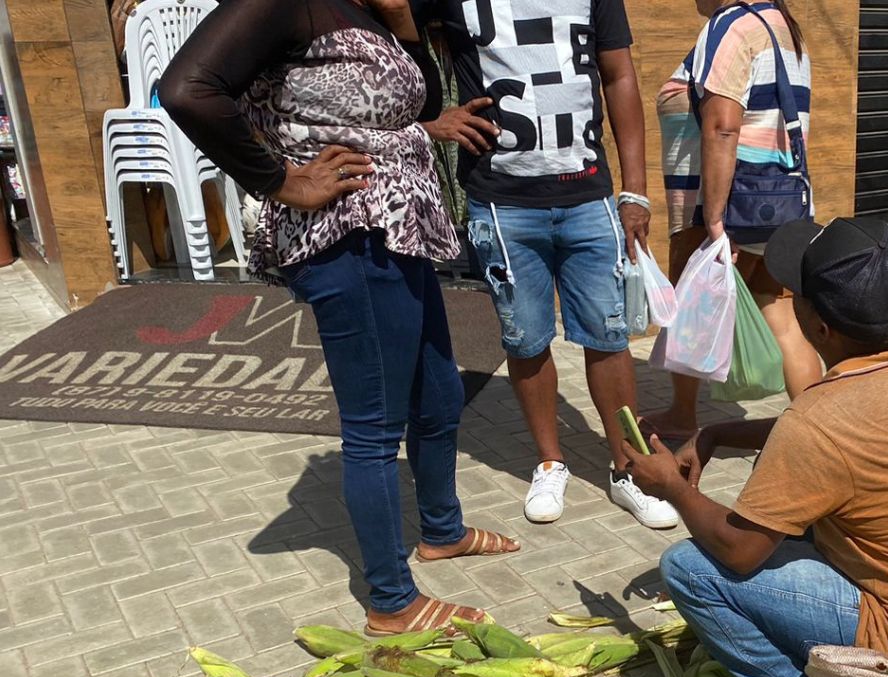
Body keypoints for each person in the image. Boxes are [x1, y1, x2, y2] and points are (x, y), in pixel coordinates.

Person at [160, 0, 519, 637]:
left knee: (437, 395)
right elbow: (187, 89)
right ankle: (391, 601)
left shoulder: (366, 11)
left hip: (399, 230)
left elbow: (406, 104)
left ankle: (442, 531)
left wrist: (404, 22)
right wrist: (281, 181)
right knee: (375, 427)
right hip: (349, 237)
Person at [624, 217, 888, 677]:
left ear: (819, 326)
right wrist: (717, 432)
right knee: (783, 513)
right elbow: (838, 443)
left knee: (689, 568)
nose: (783, 294)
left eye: (793, 290)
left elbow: (739, 551)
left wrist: (673, 488)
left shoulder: (819, 422)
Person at [413, 0, 679, 530]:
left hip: (589, 197)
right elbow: (397, 34)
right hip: (501, 202)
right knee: (526, 339)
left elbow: (620, 75)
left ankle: (627, 468)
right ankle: (550, 461)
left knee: (609, 336)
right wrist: (426, 122)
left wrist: (636, 192)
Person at [643, 0, 821, 444]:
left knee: (691, 316)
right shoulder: (785, 29)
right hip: (777, 208)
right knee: (782, 320)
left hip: (724, 208)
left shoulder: (732, 25)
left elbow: (723, 126)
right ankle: (823, 434)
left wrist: (716, 220)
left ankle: (683, 417)